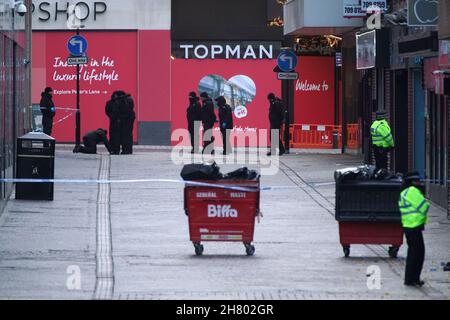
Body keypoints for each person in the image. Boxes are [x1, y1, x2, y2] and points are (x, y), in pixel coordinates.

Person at [398, 172, 429, 287]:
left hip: (408, 226)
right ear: (412, 182)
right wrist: (426, 203)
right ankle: (413, 279)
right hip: (414, 226)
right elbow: (423, 207)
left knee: (413, 253)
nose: (419, 183)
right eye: (417, 181)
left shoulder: (404, 192)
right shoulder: (413, 191)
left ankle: (410, 278)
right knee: (418, 254)